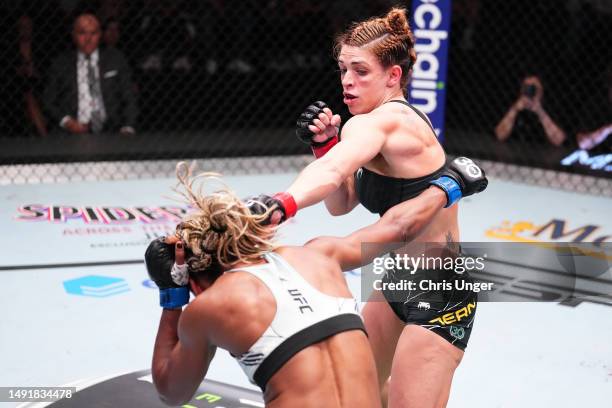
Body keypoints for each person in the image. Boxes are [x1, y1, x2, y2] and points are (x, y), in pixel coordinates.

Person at [247, 7, 488, 407]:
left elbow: (335, 169)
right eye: (343, 69)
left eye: (360, 71)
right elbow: (341, 203)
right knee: (353, 394)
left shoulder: (385, 121)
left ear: (393, 76)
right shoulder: (369, 123)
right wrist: (324, 145)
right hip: (398, 277)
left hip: (442, 291)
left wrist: (282, 203)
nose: (347, 81)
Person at [146, 160, 487, 407]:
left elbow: (170, 392)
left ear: (190, 276)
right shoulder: (318, 255)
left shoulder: (210, 307)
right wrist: (450, 184)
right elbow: (398, 228)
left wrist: (173, 297)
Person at [43, 13, 137, 134]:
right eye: (82, 33)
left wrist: (128, 127)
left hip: (112, 128)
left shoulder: (115, 59)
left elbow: (129, 96)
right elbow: (48, 101)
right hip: (71, 131)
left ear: (100, 35)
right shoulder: (61, 63)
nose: (88, 39)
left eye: (93, 33)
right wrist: (67, 122)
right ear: (73, 35)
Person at [494, 75, 566, 146]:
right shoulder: (513, 105)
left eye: (534, 88)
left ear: (541, 92)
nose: (530, 91)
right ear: (521, 89)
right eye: (526, 87)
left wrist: (540, 112)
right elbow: (500, 135)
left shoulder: (549, 108)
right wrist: (514, 109)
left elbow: (559, 140)